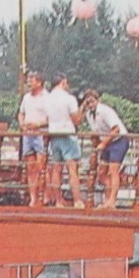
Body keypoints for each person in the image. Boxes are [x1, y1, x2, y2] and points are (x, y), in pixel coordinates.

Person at [81, 89, 129, 208]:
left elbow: (116, 129)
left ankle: (112, 200)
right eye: (87, 103)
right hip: (106, 141)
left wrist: (103, 144)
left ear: (97, 100)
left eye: (92, 101)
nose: (90, 105)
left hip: (119, 140)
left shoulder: (105, 111)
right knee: (101, 173)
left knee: (113, 170)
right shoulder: (89, 115)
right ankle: (108, 200)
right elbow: (96, 132)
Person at [45, 73, 84, 207]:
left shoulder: (47, 99)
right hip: (67, 134)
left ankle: (58, 201)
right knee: (72, 169)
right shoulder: (69, 99)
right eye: (66, 83)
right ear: (62, 83)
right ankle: (77, 200)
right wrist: (81, 109)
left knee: (56, 169)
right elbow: (77, 120)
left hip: (54, 134)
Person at [17, 70, 51, 206]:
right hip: (28, 134)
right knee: (31, 167)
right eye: (29, 80)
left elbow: (51, 118)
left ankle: (46, 196)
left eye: (32, 80)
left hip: (41, 133)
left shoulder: (47, 97)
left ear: (39, 82)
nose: (29, 82)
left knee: (41, 165)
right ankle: (33, 197)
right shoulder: (26, 98)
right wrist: (22, 124)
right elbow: (21, 113)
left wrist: (38, 124)